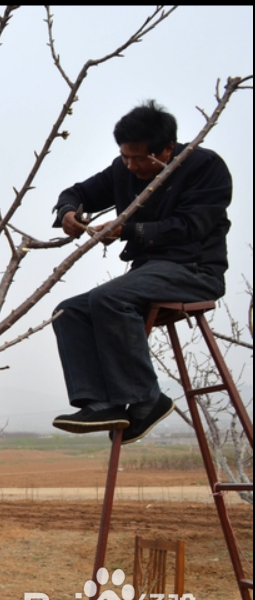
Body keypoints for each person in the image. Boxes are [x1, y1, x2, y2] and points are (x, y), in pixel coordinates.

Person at [50, 101, 231, 443]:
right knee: (68, 311)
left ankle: (147, 399)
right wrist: (68, 212)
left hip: (193, 268)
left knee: (109, 298)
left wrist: (129, 230)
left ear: (167, 149)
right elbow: (77, 192)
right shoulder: (125, 168)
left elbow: (191, 226)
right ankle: (100, 403)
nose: (131, 166)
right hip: (147, 272)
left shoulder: (205, 167)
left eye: (140, 158)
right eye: (125, 157)